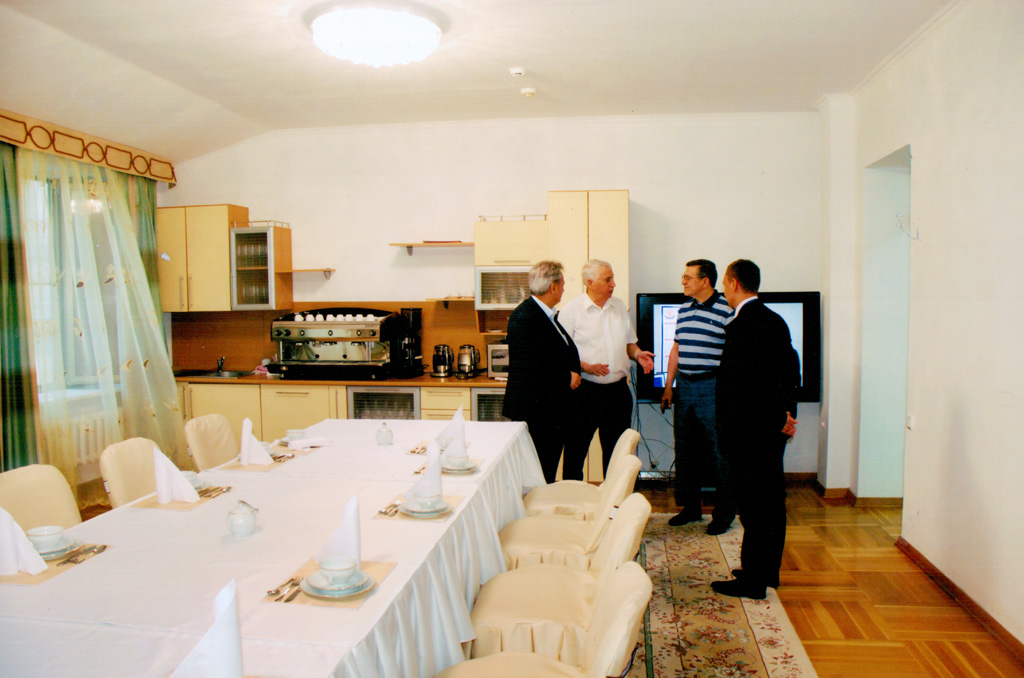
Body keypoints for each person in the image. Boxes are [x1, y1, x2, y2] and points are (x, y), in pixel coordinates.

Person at [711, 259, 800, 600]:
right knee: (770, 502)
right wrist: (786, 414)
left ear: (734, 283)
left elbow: (748, 386)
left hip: (749, 432)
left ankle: (753, 581)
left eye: (724, 283)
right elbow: (791, 370)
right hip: (770, 429)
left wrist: (775, 417)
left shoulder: (745, 323)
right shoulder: (773, 320)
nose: (723, 290)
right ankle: (766, 572)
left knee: (753, 505)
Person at [558, 260, 654, 480]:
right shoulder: (571, 311)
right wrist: (585, 367)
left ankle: (613, 499)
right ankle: (572, 498)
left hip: (617, 394)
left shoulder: (618, 306)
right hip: (584, 393)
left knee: (616, 455)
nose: (613, 284)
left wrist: (638, 354)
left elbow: (629, 344)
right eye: (607, 279)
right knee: (575, 452)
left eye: (613, 278)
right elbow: (561, 354)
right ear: (589, 283)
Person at [660, 259, 736, 535]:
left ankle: (724, 514)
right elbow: (676, 350)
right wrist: (669, 386)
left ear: (705, 281)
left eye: (688, 277)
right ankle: (691, 508)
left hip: (712, 386)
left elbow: (734, 354)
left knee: (719, 451)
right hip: (685, 387)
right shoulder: (684, 309)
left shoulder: (727, 309)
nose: (683, 281)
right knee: (686, 449)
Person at [502, 260, 582, 483]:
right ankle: (538, 505)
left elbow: (553, 354)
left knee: (545, 472)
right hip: (536, 414)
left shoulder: (545, 314)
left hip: (549, 411)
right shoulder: (525, 317)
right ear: (553, 287)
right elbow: (530, 368)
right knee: (537, 475)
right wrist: (567, 376)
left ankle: (544, 502)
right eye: (562, 284)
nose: (564, 288)